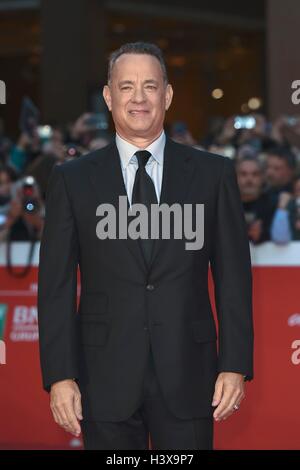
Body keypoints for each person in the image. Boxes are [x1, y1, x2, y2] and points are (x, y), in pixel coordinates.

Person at [38, 42, 254, 450]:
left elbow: (234, 280)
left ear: (167, 96)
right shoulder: (72, 180)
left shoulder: (214, 175)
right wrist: (60, 375)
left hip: (190, 374)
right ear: (108, 96)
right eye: (127, 86)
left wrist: (236, 365)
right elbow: (55, 287)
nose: (138, 98)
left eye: (150, 86)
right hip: (102, 376)